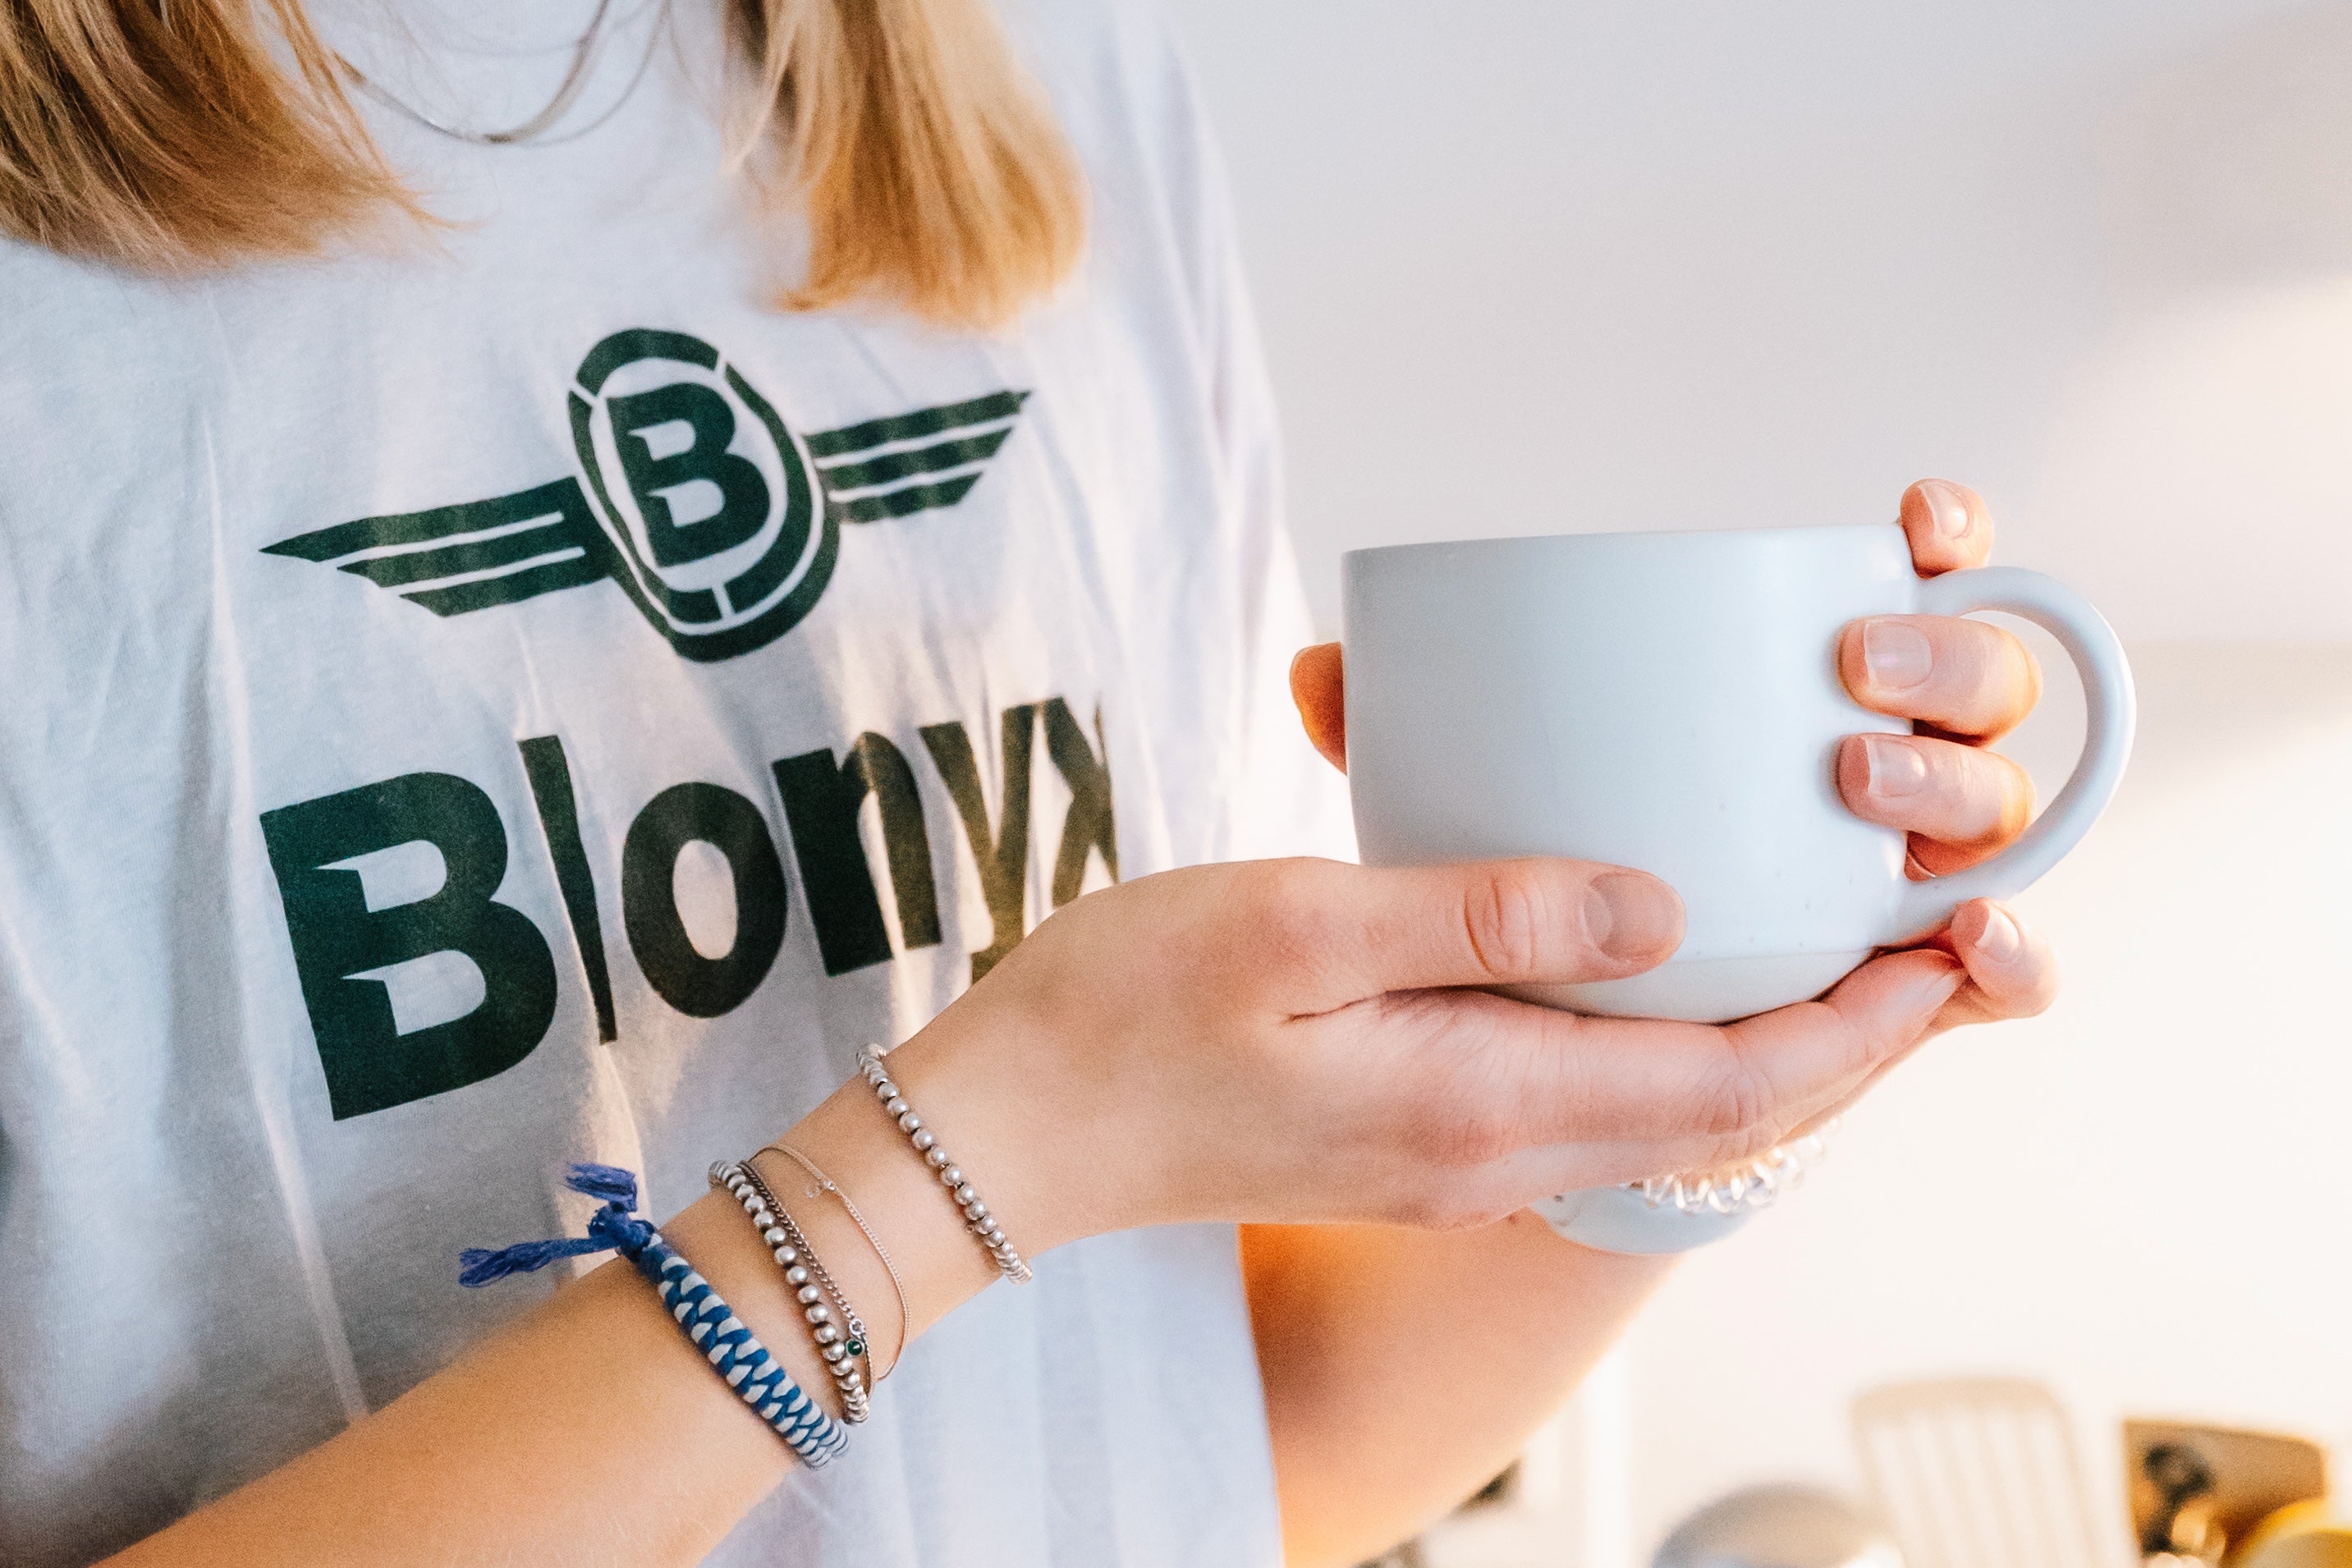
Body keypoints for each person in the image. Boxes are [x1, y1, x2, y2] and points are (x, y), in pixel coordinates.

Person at [0, 0, 2056, 1563]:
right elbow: (1039, 1151)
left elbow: (1243, 1443)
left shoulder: (1047, 87)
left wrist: (1719, 1067)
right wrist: (988, 1147)